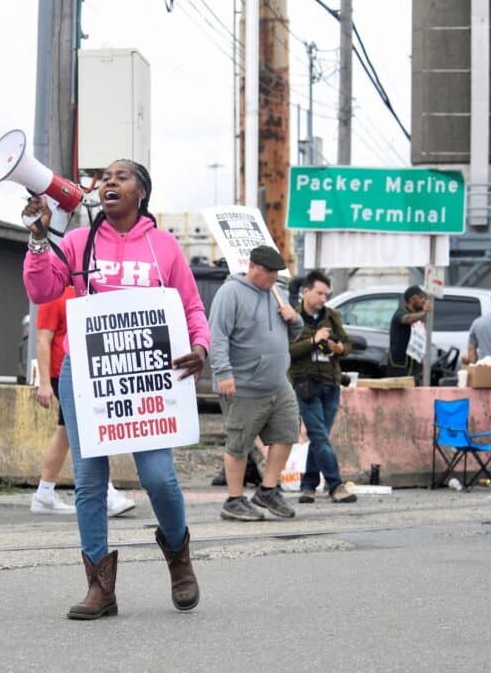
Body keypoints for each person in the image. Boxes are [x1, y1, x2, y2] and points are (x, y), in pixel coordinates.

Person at [22, 159, 208, 619]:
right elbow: (41, 290)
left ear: (141, 192)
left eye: (121, 177)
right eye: (105, 177)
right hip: (86, 375)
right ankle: (99, 587)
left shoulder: (164, 246)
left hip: (147, 374)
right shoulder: (77, 242)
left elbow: (191, 306)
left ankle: (178, 556)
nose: (109, 181)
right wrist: (38, 237)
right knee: (89, 481)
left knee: (158, 476)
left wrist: (200, 347)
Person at [209, 244, 302, 522]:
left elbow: (292, 335)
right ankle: (234, 500)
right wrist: (223, 373)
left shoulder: (277, 292)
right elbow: (218, 335)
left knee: (287, 432)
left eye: (277, 272)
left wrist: (294, 319)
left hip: (277, 382)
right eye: (270, 271)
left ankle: (268, 490)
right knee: (239, 443)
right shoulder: (230, 292)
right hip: (244, 384)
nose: (275, 276)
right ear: (252, 267)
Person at [32, 284, 136, 517]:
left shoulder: (84, 290)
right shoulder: (53, 294)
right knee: (88, 430)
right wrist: (44, 382)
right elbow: (43, 339)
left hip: (87, 372)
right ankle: (107, 493)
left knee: (66, 433)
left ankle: (44, 493)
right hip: (65, 374)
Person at [288, 270, 357, 504]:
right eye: (319, 293)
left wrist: (339, 349)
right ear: (305, 291)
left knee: (321, 437)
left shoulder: (332, 316)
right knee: (318, 434)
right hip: (306, 384)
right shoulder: (293, 317)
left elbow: (347, 344)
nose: (323, 299)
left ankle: (308, 484)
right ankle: (335, 485)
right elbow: (287, 350)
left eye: (326, 294)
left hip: (331, 382)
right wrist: (313, 341)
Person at [388, 284, 431, 384]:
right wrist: (424, 312)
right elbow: (406, 319)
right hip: (400, 365)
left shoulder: (418, 316)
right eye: (421, 297)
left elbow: (418, 341)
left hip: (414, 364)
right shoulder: (400, 313)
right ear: (412, 299)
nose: (424, 300)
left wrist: (422, 363)